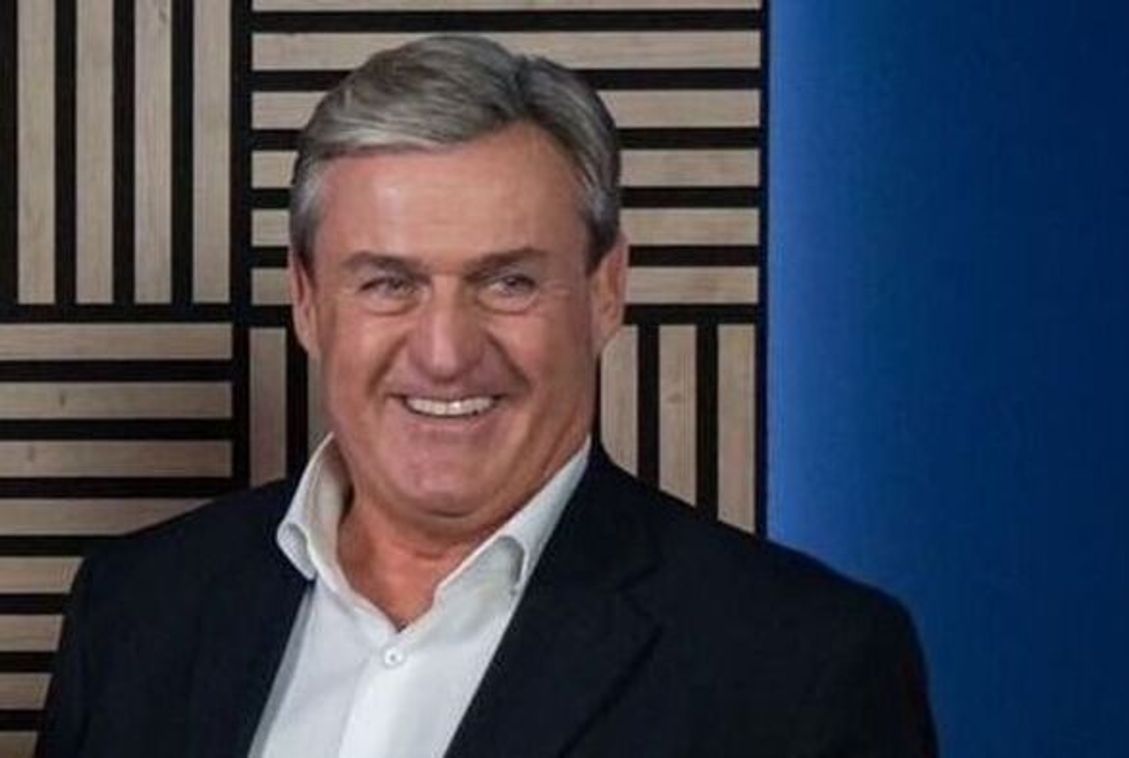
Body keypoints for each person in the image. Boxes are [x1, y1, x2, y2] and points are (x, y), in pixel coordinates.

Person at [36, 35, 936, 758]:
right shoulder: (138, 611)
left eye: (507, 283)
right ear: (307, 300)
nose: (445, 353)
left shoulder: (799, 664)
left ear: (605, 292)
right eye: (389, 284)